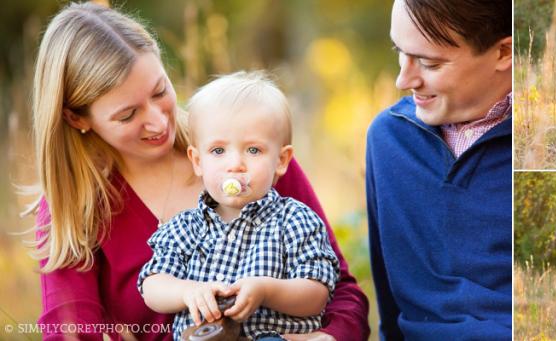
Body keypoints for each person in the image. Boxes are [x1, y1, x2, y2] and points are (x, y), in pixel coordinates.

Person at [27, 3, 368, 340]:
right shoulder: (73, 206)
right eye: (128, 115)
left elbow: (341, 294)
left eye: (160, 91)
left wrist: (325, 338)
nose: (159, 122)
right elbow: (69, 332)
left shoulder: (256, 161)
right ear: (77, 118)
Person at [138, 72, 340, 340]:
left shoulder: (294, 220)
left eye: (253, 150)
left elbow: (317, 293)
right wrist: (187, 291)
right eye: (218, 151)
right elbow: (151, 285)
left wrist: (267, 291)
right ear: (197, 161)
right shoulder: (185, 227)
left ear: (281, 160)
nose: (235, 164)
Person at [366, 0, 511, 339]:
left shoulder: (534, 149)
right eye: (399, 51)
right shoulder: (389, 139)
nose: (404, 79)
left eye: (429, 63)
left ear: (504, 52)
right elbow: (390, 303)